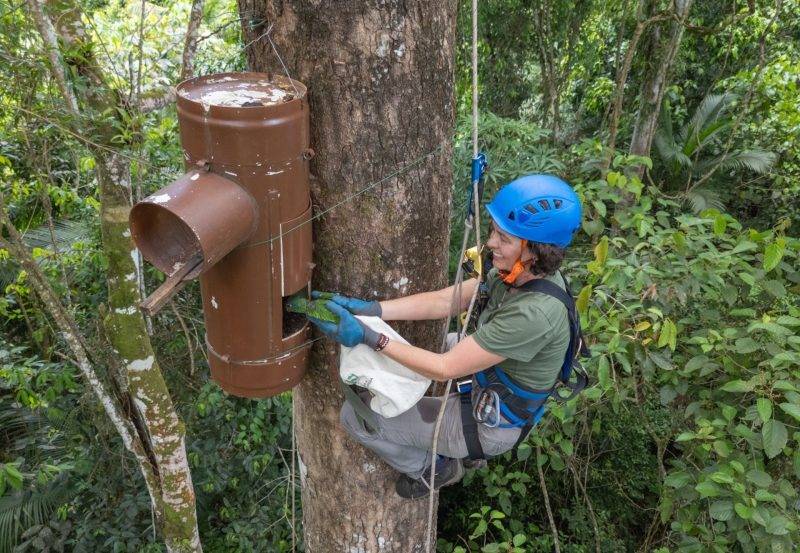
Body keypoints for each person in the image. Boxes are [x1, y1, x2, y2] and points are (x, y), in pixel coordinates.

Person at [308, 174, 583, 499]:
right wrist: (374, 310)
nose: (491, 243)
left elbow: (444, 368)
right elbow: (447, 301)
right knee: (430, 345)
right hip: (491, 375)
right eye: (494, 231)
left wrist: (369, 337)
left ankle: (432, 467)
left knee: (355, 416)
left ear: (535, 251)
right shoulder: (516, 274)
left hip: (489, 425)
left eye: (504, 238)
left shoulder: (534, 314)